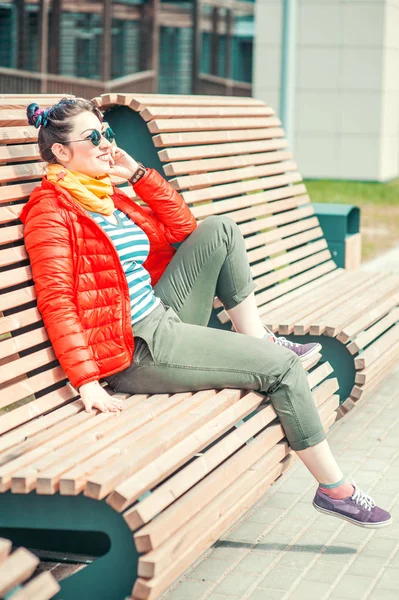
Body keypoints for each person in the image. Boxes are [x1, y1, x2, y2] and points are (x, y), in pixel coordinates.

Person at [21, 98, 391, 529]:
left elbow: (184, 231)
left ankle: (258, 339)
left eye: (109, 134)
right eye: (94, 137)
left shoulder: (108, 197)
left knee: (220, 230)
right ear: (61, 152)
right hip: (136, 348)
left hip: (163, 314)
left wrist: (138, 175)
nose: (107, 144)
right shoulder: (52, 213)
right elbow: (57, 300)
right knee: (285, 369)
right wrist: (86, 381)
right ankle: (335, 490)